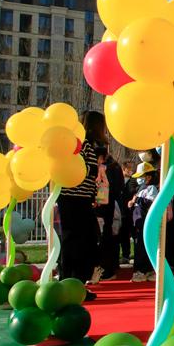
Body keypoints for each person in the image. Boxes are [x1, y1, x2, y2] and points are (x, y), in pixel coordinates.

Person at [58, 110, 105, 301]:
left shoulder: (87, 145)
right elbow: (80, 172)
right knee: (76, 242)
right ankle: (69, 284)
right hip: (73, 199)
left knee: (84, 241)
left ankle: (75, 284)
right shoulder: (81, 144)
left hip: (81, 199)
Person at [129, 162, 165, 282]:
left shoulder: (152, 188)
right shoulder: (141, 189)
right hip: (138, 223)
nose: (139, 180)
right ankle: (145, 270)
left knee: (143, 247)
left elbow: (151, 202)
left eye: (141, 177)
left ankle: (143, 270)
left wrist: (138, 199)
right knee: (139, 246)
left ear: (148, 177)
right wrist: (131, 203)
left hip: (146, 223)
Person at [93, 148, 124, 283]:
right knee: (107, 238)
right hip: (107, 207)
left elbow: (114, 188)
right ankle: (108, 267)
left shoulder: (108, 168)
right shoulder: (114, 167)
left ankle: (106, 269)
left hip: (104, 208)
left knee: (104, 239)